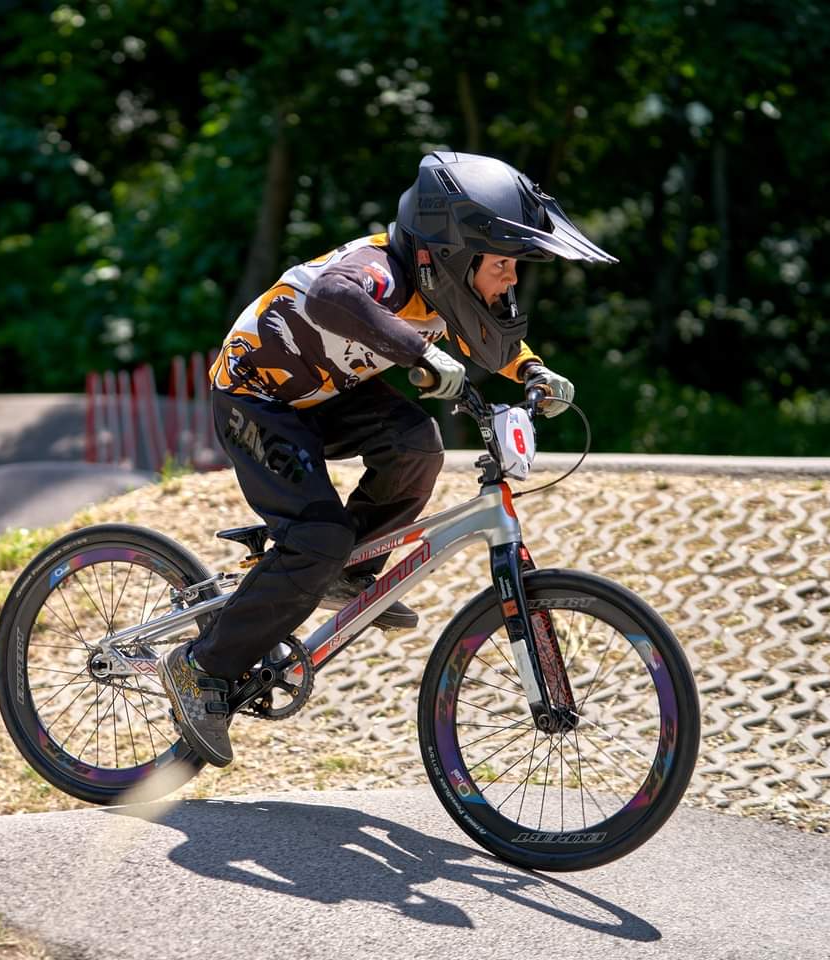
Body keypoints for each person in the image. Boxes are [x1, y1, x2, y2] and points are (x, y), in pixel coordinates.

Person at [159, 150, 617, 767]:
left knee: (416, 444)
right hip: (256, 397)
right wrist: (417, 354)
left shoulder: (441, 289)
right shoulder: (381, 270)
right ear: (452, 253)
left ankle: (348, 567)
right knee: (316, 537)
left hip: (324, 396)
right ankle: (198, 668)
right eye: (503, 264)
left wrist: (533, 371)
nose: (511, 278)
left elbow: (487, 342)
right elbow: (328, 294)